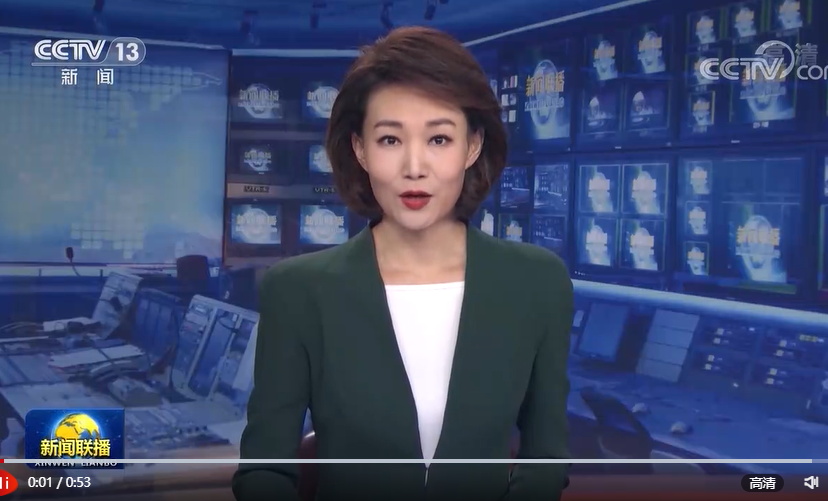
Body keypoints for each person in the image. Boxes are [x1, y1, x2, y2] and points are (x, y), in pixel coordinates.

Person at [233, 26, 573, 501]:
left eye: (439, 139)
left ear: (473, 146)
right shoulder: (298, 290)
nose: (414, 167)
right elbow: (264, 470)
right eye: (390, 140)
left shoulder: (536, 282)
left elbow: (545, 461)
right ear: (360, 149)